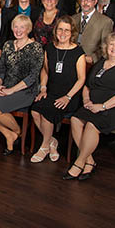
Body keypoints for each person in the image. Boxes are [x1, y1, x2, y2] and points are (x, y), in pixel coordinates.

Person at [64, 32, 115, 180]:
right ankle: (89, 160)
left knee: (92, 124)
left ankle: (79, 162)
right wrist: (87, 100)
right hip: (94, 105)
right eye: (111, 44)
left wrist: (103, 106)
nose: (113, 48)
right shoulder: (101, 63)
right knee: (75, 119)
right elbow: (87, 86)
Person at [0, 15, 44, 155]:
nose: (18, 30)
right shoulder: (8, 45)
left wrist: (11, 91)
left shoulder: (36, 48)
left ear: (28, 29)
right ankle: (9, 134)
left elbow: (33, 77)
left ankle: (17, 131)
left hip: (26, 90)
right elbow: (1, 68)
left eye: (22, 27)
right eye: (16, 26)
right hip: (6, 85)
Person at [30, 16, 86, 163]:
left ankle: (43, 147)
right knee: (35, 110)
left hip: (70, 95)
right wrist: (43, 88)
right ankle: (51, 142)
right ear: (56, 30)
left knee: (48, 111)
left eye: (67, 30)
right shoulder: (49, 48)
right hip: (51, 91)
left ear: (72, 32)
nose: (63, 33)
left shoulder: (78, 52)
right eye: (60, 29)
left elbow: (81, 79)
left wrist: (68, 97)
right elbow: (45, 71)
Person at [72, 0, 113, 65]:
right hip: (71, 61)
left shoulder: (106, 22)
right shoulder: (73, 19)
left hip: (91, 64)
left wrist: (93, 58)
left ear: (95, 1)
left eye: (89, 0)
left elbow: (105, 46)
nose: (85, 3)